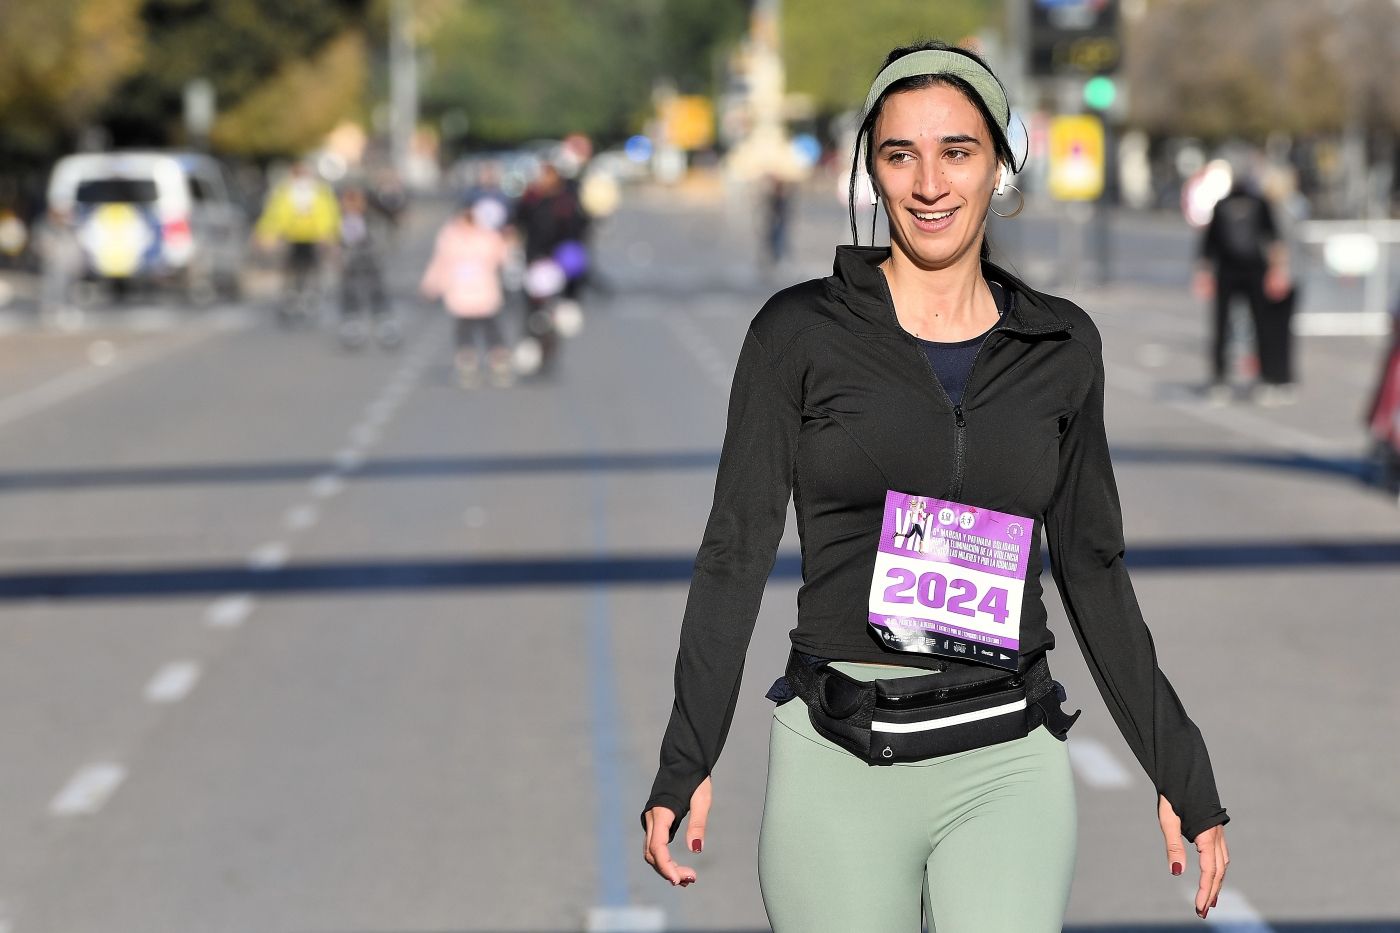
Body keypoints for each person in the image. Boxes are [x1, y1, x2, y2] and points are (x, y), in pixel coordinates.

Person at [641, 41, 1230, 931]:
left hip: (1007, 766)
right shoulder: (798, 334)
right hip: (840, 763)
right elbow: (734, 550)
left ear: (1000, 163)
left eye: (957, 150)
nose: (929, 183)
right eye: (899, 154)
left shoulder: (1061, 348)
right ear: (870, 173)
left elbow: (1094, 566)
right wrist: (687, 757)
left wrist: (1180, 767)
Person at [1194, 175, 1292, 404]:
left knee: (1236, 326)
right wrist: (1278, 270)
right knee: (1249, 325)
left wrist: (1204, 272)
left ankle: (1231, 378)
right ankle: (1237, 378)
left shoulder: (1227, 206)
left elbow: (1208, 246)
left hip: (1238, 272)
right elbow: (1273, 240)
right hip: (1244, 270)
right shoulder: (1254, 204)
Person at [420, 196, 512, 387]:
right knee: (465, 330)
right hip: (461, 291)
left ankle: (498, 362)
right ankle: (468, 363)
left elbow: (502, 257)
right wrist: (431, 284)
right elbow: (441, 262)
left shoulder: (488, 235)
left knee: (490, 328)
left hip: (484, 289)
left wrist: (508, 242)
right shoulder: (450, 236)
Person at [254, 162, 341, 323]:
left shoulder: (320, 192)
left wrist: (328, 235)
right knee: (292, 271)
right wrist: (267, 233)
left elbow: (329, 214)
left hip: (314, 237)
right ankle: (292, 299)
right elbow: (274, 214)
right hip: (291, 237)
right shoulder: (284, 192)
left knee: (311, 269)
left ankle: (310, 298)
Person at [336, 185, 397, 349]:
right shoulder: (340, 219)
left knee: (377, 291)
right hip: (350, 265)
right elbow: (336, 243)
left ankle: (383, 322)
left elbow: (382, 239)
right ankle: (352, 323)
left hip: (371, 263)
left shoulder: (372, 219)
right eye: (348, 201)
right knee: (349, 293)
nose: (352, 205)